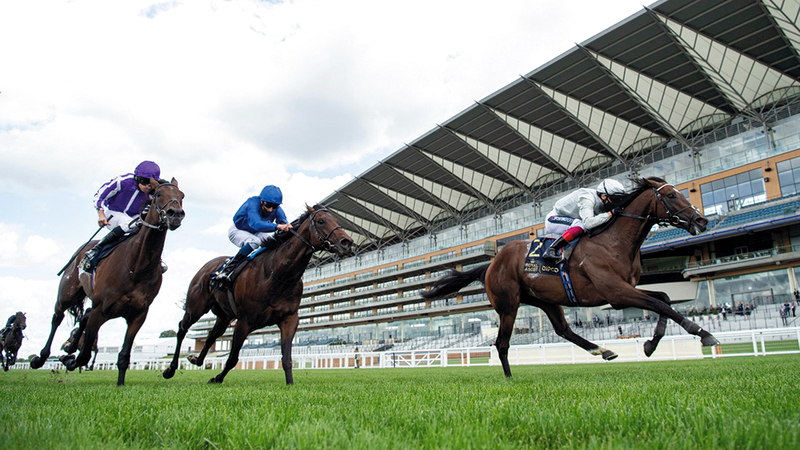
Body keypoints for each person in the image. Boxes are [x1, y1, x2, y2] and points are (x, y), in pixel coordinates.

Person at [80, 161, 161, 272]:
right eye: (145, 182)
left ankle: (156, 260)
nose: (148, 187)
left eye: (151, 184)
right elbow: (99, 195)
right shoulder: (123, 181)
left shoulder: (153, 192)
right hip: (113, 214)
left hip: (135, 218)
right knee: (128, 223)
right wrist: (101, 214)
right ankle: (95, 249)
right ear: (136, 178)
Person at [213, 185, 293, 284]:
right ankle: (228, 269)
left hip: (256, 232)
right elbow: (256, 224)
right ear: (261, 201)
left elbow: (283, 221)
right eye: (268, 205)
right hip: (238, 230)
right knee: (255, 242)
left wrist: (286, 226)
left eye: (275, 206)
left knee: (273, 242)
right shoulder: (252, 203)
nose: (271, 210)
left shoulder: (275, 208)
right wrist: (278, 226)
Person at [542, 179, 627, 262]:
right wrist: (611, 213)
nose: (616, 203)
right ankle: (552, 249)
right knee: (581, 225)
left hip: (573, 219)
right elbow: (588, 223)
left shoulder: (603, 200)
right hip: (553, 219)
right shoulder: (587, 198)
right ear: (604, 196)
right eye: (615, 199)